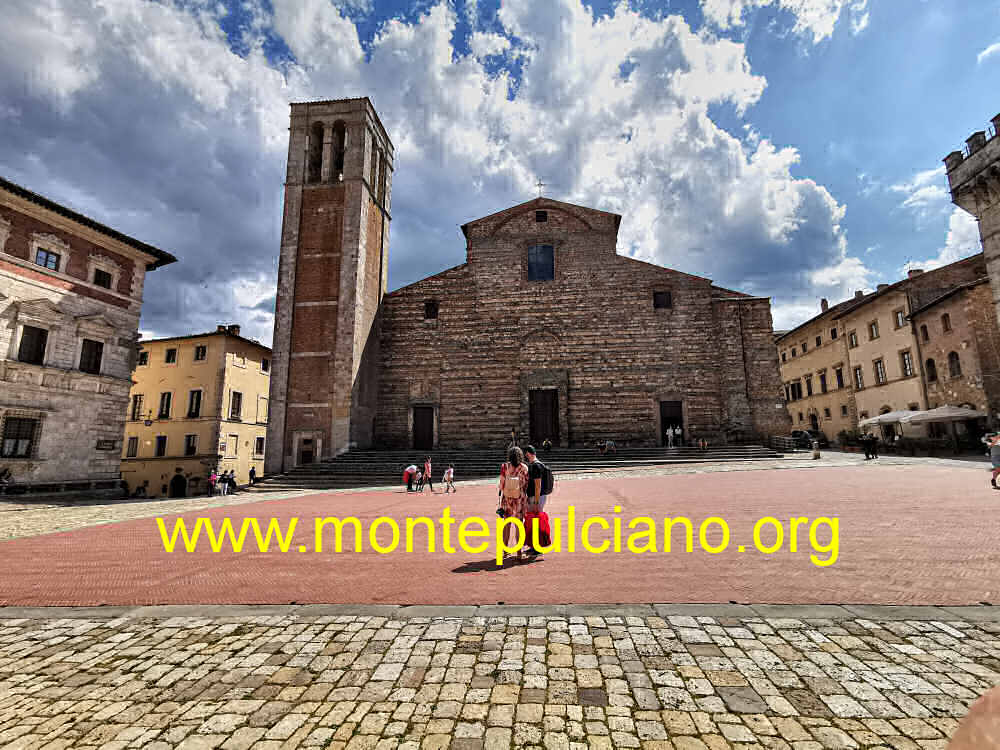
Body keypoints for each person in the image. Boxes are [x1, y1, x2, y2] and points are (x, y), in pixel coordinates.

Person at [498, 446, 529, 563]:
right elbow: (526, 484)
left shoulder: (504, 466)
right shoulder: (524, 467)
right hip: (519, 499)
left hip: (507, 499)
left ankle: (505, 550)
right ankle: (519, 552)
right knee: (518, 525)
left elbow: (501, 484)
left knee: (506, 525)